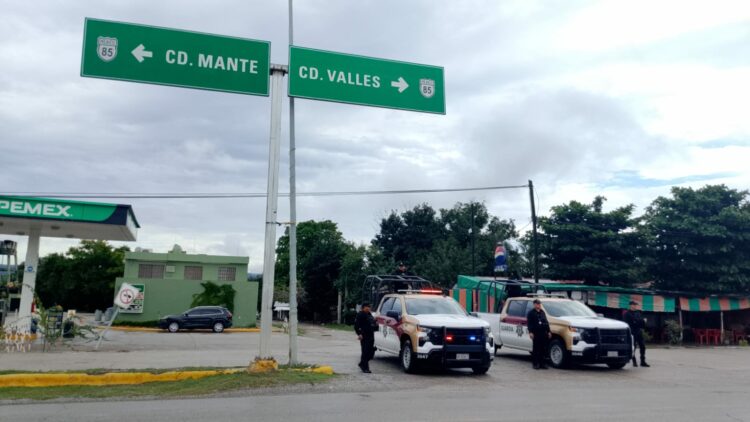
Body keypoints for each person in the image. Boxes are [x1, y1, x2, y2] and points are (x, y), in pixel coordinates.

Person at [527, 299, 551, 369]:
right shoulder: (531, 313)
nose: (539, 305)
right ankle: (535, 364)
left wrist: (549, 331)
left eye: (539, 304)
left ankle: (542, 363)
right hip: (536, 333)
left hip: (543, 333)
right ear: (534, 304)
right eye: (537, 304)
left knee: (543, 349)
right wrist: (530, 332)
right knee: (536, 349)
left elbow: (546, 322)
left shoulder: (542, 312)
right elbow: (529, 323)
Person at [624, 301, 650, 367]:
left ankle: (643, 361)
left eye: (636, 305)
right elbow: (636, 320)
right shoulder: (627, 313)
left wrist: (640, 321)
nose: (635, 306)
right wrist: (642, 321)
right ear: (630, 305)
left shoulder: (637, 313)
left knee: (643, 346)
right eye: (634, 305)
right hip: (632, 332)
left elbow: (640, 322)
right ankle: (634, 361)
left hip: (639, 331)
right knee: (634, 347)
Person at [354, 302, 377, 373]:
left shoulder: (369, 314)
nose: (368, 308)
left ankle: (362, 363)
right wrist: (359, 334)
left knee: (370, 352)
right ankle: (365, 368)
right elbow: (356, 325)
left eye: (369, 307)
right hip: (364, 335)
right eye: (367, 307)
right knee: (365, 351)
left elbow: (372, 323)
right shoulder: (360, 314)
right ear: (363, 308)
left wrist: (375, 321)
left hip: (371, 335)